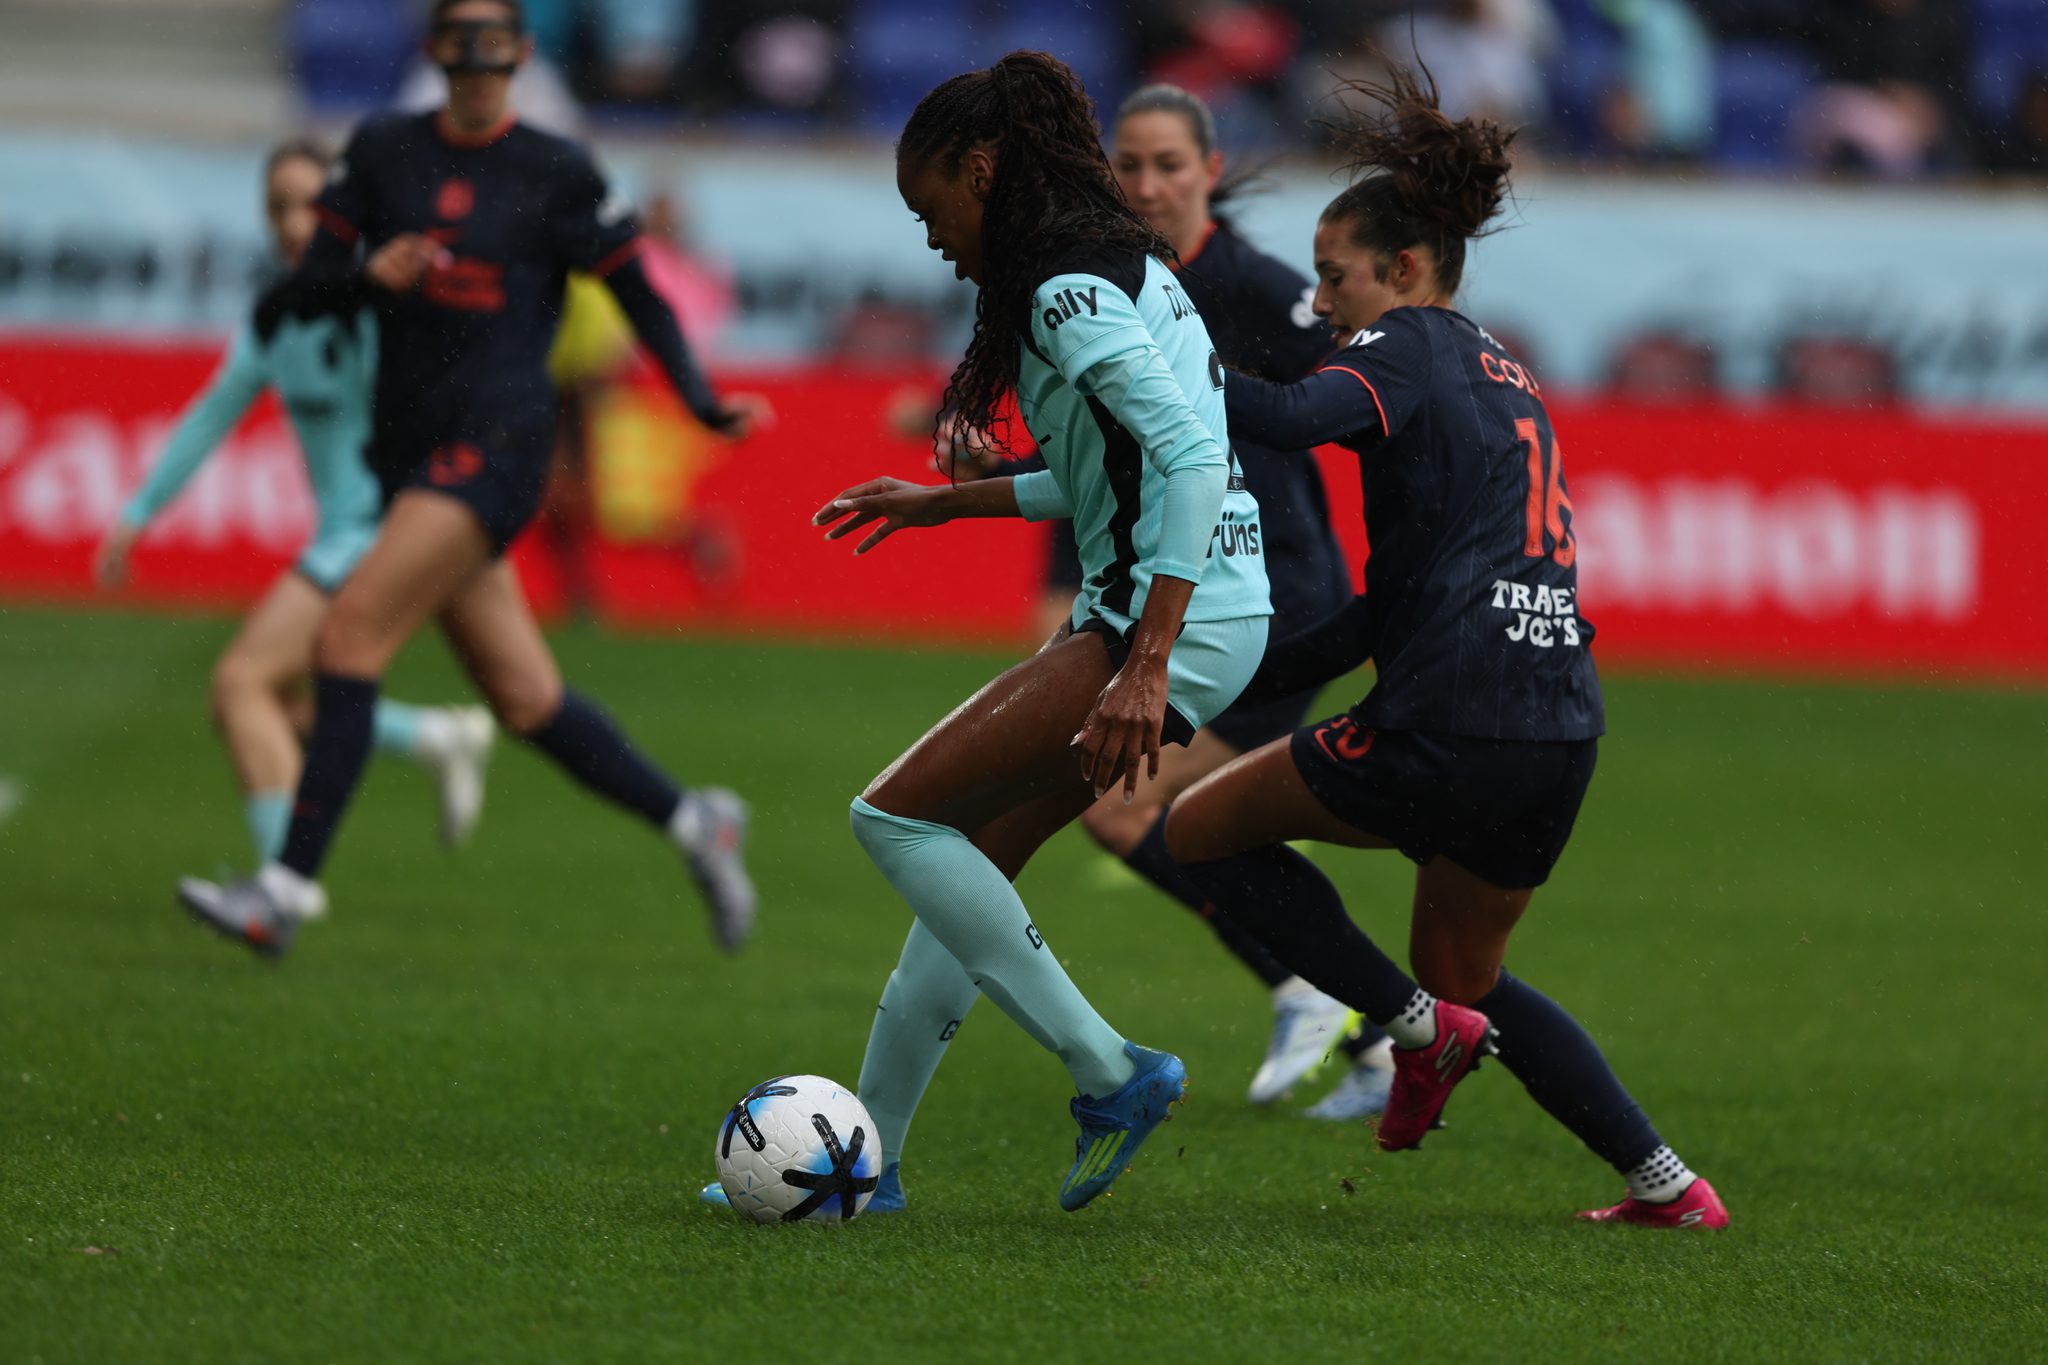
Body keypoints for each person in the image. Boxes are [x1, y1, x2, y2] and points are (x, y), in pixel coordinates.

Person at [1162, 67, 1729, 1228]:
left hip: (1451, 719)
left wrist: (1153, 361)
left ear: (1404, 272)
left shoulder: (1405, 348)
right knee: (1468, 976)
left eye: (1335, 278)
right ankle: (1665, 1185)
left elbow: (1282, 418)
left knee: (1199, 834)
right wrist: (1216, 690)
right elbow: (1385, 606)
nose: (1320, 305)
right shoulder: (1503, 375)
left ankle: (1410, 1032)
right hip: (1555, 729)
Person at [175, 0, 769, 960]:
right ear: (437, 56)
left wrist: (699, 399)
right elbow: (298, 292)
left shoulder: (556, 170)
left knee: (351, 632)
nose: (480, 77)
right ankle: (697, 819)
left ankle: (282, 890)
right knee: (525, 698)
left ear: (524, 58)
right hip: (410, 456)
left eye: (496, 60)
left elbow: (636, 291)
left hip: (498, 447)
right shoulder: (380, 152)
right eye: (464, 59)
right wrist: (370, 273)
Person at [787, 51, 1274, 1215]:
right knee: (966, 871)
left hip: (1167, 614)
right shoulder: (1115, 267)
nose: (932, 238)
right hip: (1206, 603)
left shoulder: (1063, 288)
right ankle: (870, 1168)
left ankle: (1111, 1069)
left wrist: (1142, 663)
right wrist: (946, 503)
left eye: (932, 207)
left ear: (982, 168)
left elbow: (1194, 459)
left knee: (891, 816)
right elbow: (1107, 465)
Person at [1099, 83, 1397, 1115]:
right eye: (1128, 164)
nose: (1146, 184)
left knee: (1116, 801)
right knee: (1175, 815)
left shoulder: (1260, 289)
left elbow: (1363, 401)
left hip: (1282, 604)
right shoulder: (1120, 283)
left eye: (1167, 164)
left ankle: (1322, 993)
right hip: (1203, 598)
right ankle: (1367, 1031)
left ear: (1209, 172)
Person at [97, 139, 496, 869]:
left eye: (310, 204)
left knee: (239, 683)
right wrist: (138, 511)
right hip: (344, 531)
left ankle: (279, 886)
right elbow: (211, 415)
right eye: (278, 206)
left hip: (380, 531)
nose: (292, 222)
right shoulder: (279, 318)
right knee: (278, 707)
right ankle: (434, 737)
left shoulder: (386, 302)